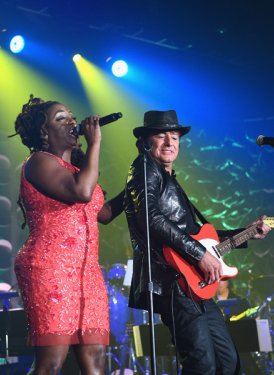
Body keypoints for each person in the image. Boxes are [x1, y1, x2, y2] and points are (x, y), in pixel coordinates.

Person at [123, 110, 271, 375]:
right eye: (161, 136)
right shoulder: (144, 169)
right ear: (146, 141)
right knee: (201, 364)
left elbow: (202, 238)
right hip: (173, 283)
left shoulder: (168, 179)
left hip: (194, 285)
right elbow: (152, 219)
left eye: (175, 137)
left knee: (229, 363)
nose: (169, 142)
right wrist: (200, 255)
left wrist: (246, 232)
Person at [11, 95, 124, 375]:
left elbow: (104, 213)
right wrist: (96, 142)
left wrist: (137, 188)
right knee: (51, 362)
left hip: (87, 273)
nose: (72, 122)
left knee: (96, 361)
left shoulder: (77, 170)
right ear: (43, 132)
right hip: (50, 269)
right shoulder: (39, 163)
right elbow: (82, 193)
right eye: (61, 118)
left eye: (72, 117)